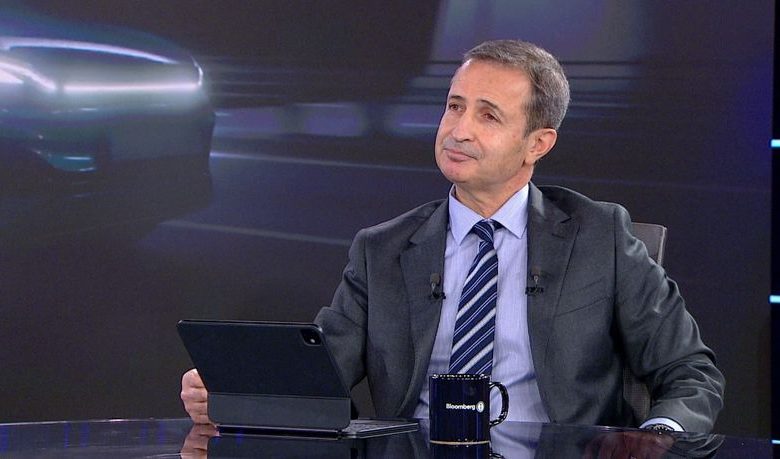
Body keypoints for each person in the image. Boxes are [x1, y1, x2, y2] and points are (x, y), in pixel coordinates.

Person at [181, 39, 724, 433]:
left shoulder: (599, 236)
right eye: (454, 106)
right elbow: (320, 377)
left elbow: (689, 372)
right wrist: (235, 389)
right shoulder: (382, 249)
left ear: (538, 143)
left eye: (488, 116)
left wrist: (657, 440)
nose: (458, 130)